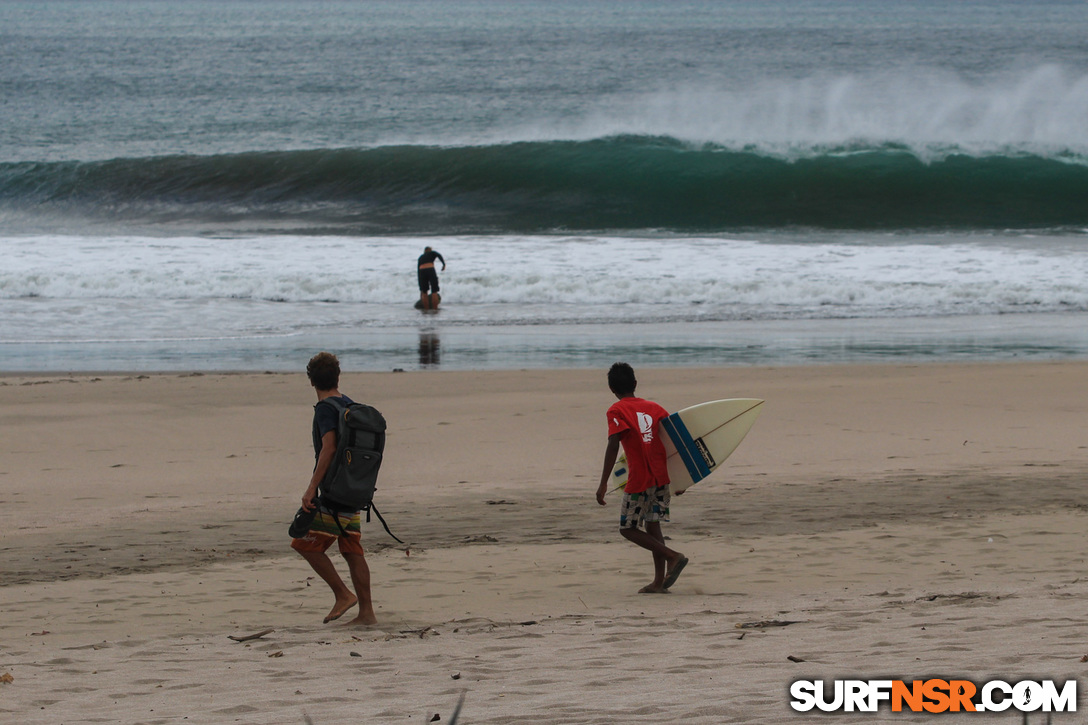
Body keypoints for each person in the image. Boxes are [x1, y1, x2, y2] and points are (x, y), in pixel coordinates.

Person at [291, 352, 377, 625]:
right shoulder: (349, 405)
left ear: (311, 381)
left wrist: (310, 489)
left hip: (335, 492)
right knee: (352, 549)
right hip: (355, 490)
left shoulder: (326, 409)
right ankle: (367, 614)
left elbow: (328, 448)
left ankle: (342, 594)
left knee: (305, 545)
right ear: (337, 377)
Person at [595, 362, 688, 593]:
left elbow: (613, 443)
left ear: (612, 389)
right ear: (635, 384)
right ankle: (659, 583)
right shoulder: (655, 407)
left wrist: (604, 481)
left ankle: (673, 556)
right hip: (661, 478)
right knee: (652, 525)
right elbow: (673, 441)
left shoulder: (616, 411)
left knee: (627, 528)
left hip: (639, 479)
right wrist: (682, 478)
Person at [417, 246, 446, 310]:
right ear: (429, 250)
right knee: (434, 291)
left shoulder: (420, 257)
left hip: (422, 271)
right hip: (430, 269)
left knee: (424, 292)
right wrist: (443, 264)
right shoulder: (432, 253)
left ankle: (426, 309)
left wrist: (420, 287)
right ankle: (435, 309)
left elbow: (418, 271)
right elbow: (439, 255)